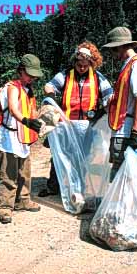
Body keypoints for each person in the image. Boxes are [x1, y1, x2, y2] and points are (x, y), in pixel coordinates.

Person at [40, 41, 113, 197]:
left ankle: (80, 188)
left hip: (88, 125)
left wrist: (107, 106)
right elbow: (48, 86)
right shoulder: (65, 75)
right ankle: (54, 186)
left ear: (92, 63)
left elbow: (108, 96)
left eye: (86, 65)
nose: (82, 68)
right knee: (60, 154)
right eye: (79, 64)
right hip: (66, 123)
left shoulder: (98, 78)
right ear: (74, 62)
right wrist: (52, 96)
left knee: (85, 157)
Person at [101, 27, 137, 182]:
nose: (112, 55)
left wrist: (135, 133)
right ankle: (122, 205)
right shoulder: (128, 64)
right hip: (123, 128)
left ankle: (123, 205)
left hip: (128, 130)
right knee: (123, 175)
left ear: (119, 46)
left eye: (112, 50)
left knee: (124, 176)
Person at [0, 54, 43, 224]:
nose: (31, 78)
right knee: (8, 173)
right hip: (9, 135)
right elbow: (14, 110)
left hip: (22, 134)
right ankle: (5, 207)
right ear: (21, 70)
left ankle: (23, 200)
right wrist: (27, 121)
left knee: (25, 170)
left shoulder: (27, 89)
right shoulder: (12, 87)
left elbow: (30, 110)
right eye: (29, 74)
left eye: (33, 76)